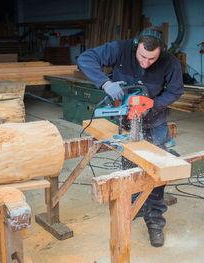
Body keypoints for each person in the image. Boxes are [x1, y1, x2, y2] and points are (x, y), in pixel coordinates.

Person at [77, 27, 184, 247]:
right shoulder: (120, 48)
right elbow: (85, 59)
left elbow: (175, 91)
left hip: (154, 121)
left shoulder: (170, 62)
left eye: (152, 59)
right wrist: (105, 84)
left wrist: (154, 104)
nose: (145, 63)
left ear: (161, 52)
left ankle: (155, 222)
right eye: (142, 57)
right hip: (125, 122)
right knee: (130, 167)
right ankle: (136, 202)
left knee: (156, 173)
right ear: (137, 46)